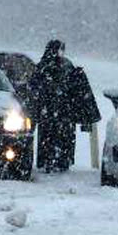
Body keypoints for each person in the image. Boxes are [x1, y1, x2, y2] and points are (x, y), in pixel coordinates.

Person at [26, 39, 101, 173]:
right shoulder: (53, 66)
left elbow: (35, 89)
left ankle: (55, 162)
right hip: (57, 111)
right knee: (56, 138)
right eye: (60, 49)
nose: (61, 53)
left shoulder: (54, 65)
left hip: (56, 112)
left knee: (55, 138)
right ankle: (55, 162)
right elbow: (37, 87)